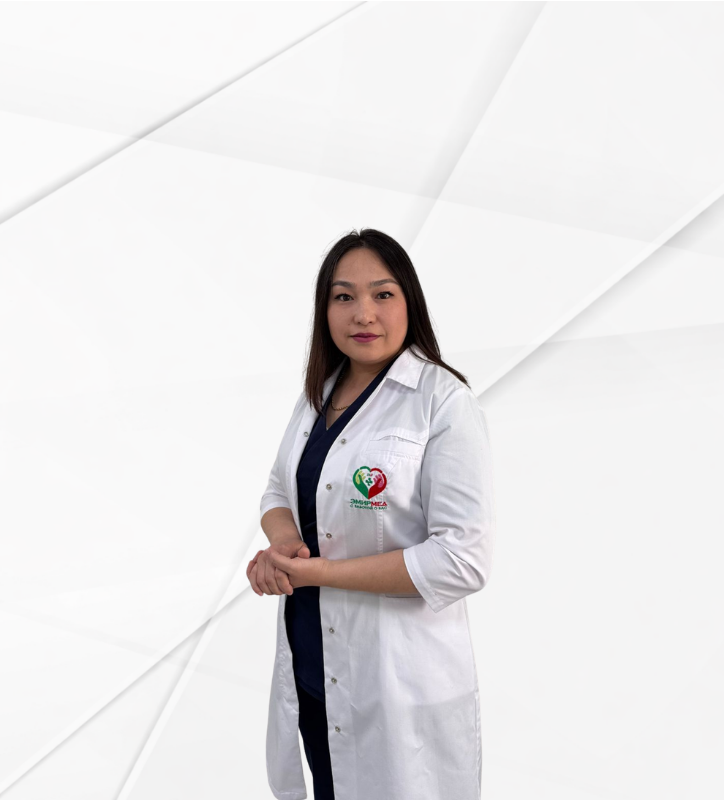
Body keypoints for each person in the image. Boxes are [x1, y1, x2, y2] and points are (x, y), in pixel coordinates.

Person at [247, 228, 496, 800]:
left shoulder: (444, 403)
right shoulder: (319, 392)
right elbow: (278, 488)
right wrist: (283, 546)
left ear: (410, 301)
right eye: (344, 296)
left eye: (383, 294)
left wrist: (320, 573)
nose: (363, 313)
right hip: (316, 666)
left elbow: (462, 560)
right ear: (324, 309)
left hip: (398, 682)